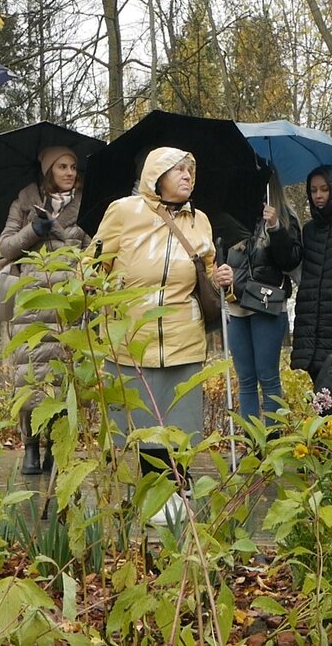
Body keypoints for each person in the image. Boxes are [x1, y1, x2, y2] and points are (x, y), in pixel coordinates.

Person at [94, 147, 223, 525]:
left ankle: (172, 491)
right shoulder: (124, 212)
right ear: (156, 176)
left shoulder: (200, 221)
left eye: (190, 170)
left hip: (183, 338)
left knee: (179, 424)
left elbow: (210, 278)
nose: (187, 176)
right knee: (139, 423)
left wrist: (223, 282)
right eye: (178, 169)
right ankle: (148, 495)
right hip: (132, 339)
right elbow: (93, 264)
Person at [0, 146, 91, 474]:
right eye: (62, 166)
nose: (69, 173)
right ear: (49, 169)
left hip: (68, 302)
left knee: (63, 374)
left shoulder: (86, 203)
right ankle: (30, 446)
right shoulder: (25, 200)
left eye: (73, 166)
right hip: (31, 299)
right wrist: (35, 230)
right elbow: (5, 246)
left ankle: (56, 443)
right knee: (29, 374)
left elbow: (92, 250)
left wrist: (59, 234)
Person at [224, 172, 302, 425]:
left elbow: (290, 261)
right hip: (237, 306)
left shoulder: (284, 216)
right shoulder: (232, 218)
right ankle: (253, 445)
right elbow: (222, 257)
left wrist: (276, 228)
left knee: (268, 378)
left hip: (267, 307)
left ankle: (273, 442)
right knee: (245, 379)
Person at [291, 165, 332, 385]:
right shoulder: (308, 230)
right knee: (319, 408)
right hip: (310, 327)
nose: (318, 195)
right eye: (313, 190)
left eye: (324, 189)